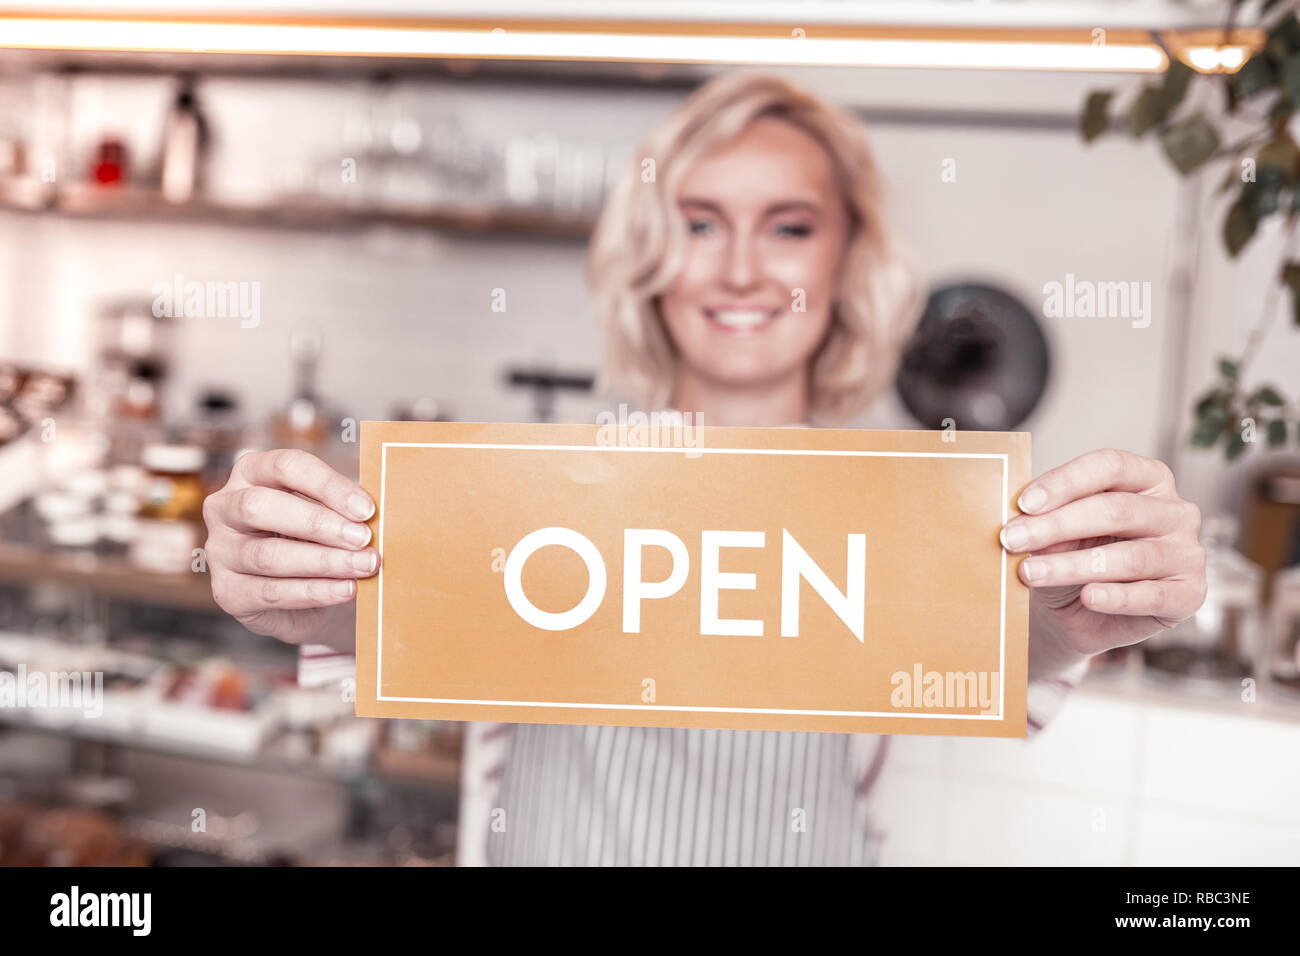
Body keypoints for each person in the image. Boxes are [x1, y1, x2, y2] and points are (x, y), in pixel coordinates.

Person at [200, 73, 1207, 866]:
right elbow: (372, 624)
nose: (738, 269)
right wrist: (294, 581)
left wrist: (1087, 603)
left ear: (844, 259)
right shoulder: (527, 484)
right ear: (651, 250)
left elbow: (1015, 654)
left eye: (790, 226)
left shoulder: (912, 511)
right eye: (699, 221)